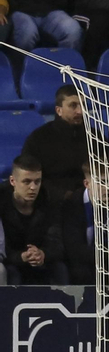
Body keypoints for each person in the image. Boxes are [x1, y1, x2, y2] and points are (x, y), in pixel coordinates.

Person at [20, 85, 89, 207]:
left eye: (83, 105)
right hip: (49, 203)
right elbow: (29, 175)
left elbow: (106, 172)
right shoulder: (38, 138)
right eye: (73, 105)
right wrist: (63, 195)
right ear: (59, 110)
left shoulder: (95, 137)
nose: (80, 111)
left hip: (89, 200)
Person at [1, 154, 65, 285]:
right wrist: (21, 257)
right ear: (13, 181)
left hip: (41, 260)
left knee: (60, 269)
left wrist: (42, 253)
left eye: (37, 181)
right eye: (26, 181)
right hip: (12, 260)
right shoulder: (1, 201)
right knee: (11, 273)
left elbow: (57, 242)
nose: (33, 187)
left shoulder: (50, 201)